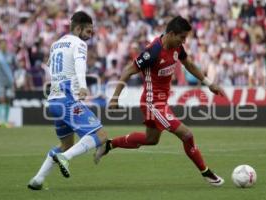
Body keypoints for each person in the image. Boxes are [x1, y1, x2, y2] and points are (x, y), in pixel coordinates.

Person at [94, 16, 225, 186]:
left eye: (185, 38)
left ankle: (109, 145)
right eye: (182, 37)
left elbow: (190, 65)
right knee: (187, 135)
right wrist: (114, 98)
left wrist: (209, 84)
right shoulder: (153, 51)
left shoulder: (177, 47)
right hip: (152, 103)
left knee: (151, 140)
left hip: (161, 103)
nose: (183, 41)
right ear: (171, 33)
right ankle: (207, 173)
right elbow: (128, 70)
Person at [27, 11, 109, 190]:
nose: (89, 36)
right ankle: (66, 158)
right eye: (87, 31)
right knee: (101, 135)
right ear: (78, 28)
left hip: (54, 100)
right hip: (67, 98)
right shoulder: (78, 44)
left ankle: (38, 179)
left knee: (66, 144)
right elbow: (80, 63)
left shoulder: (56, 44)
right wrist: (82, 85)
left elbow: (49, 66)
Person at [0, 37, 16, 127]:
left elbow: (16, 66)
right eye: (1, 44)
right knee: (1, 99)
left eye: (5, 44)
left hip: (9, 81)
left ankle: (5, 121)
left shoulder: (11, 55)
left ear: (7, 45)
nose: (3, 45)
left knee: (7, 100)